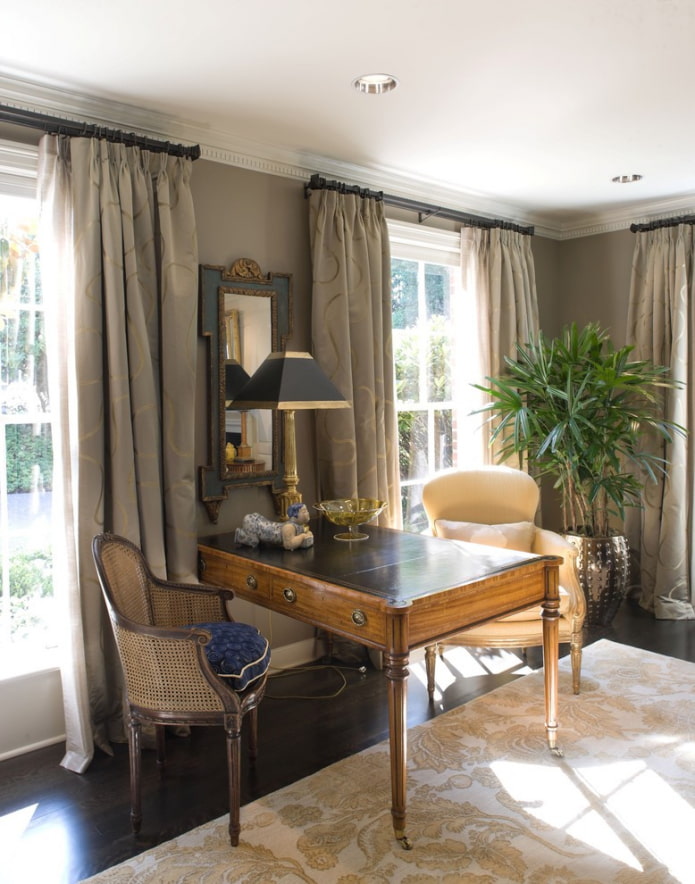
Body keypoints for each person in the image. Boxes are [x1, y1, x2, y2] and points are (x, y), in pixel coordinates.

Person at [235, 502, 314, 550]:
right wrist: (303, 536)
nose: (307, 513)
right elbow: (288, 545)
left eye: (306, 511)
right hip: (255, 525)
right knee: (254, 542)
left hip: (262, 524)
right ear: (294, 516)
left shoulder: (299, 526)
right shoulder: (289, 527)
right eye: (304, 512)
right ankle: (239, 535)